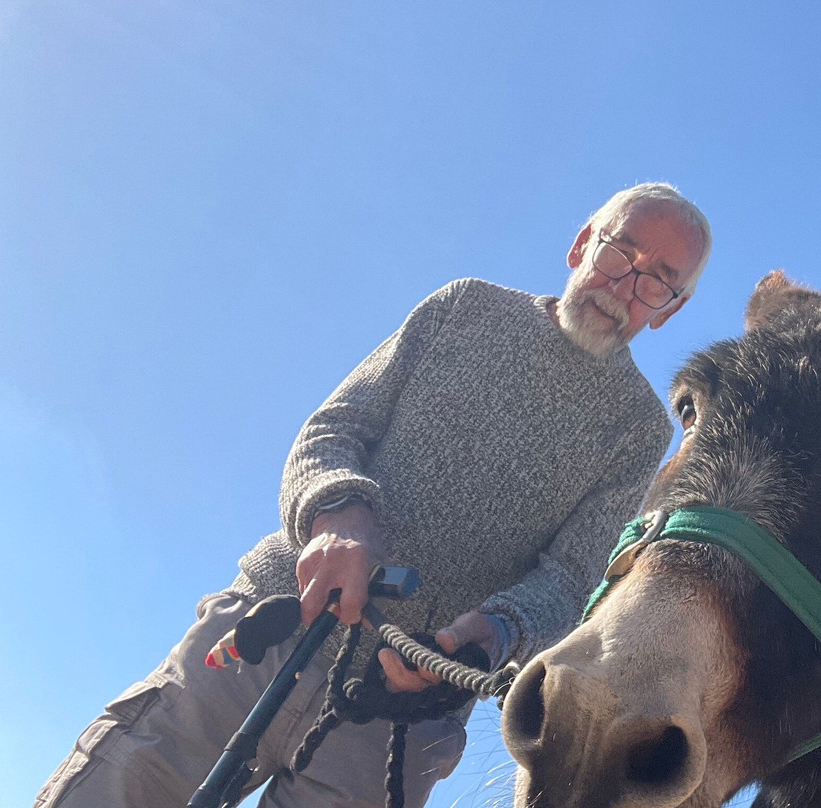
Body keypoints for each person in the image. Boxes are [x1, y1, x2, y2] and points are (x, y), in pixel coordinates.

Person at [35, 182, 712, 808]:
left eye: (658, 280)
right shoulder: (465, 306)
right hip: (266, 634)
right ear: (581, 243)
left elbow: (568, 580)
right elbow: (335, 429)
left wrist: (487, 636)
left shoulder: (638, 430)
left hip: (403, 720)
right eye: (621, 251)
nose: (626, 284)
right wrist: (337, 516)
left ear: (669, 311)